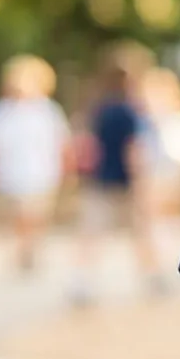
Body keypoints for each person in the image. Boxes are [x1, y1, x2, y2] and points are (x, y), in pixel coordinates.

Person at [71, 48, 164, 304]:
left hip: (101, 180)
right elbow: (133, 151)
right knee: (141, 232)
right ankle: (153, 278)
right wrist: (141, 183)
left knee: (92, 233)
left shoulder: (99, 109)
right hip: (125, 183)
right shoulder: (130, 112)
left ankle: (82, 282)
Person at [0, 54, 73, 274]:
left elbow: (62, 143)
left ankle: (31, 248)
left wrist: (68, 171)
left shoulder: (48, 111)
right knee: (17, 215)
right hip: (9, 173)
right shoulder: (1, 111)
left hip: (42, 173)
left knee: (36, 214)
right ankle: (22, 250)